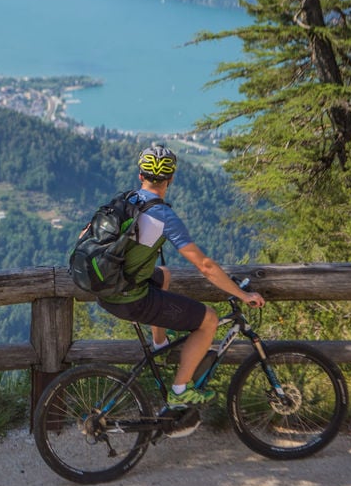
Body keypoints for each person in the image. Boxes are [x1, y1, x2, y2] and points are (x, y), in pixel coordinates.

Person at [97, 143, 265, 405]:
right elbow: (205, 266)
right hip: (130, 299)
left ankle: (160, 344)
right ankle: (179, 391)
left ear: (141, 176)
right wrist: (242, 295)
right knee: (209, 320)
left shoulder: (125, 201)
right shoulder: (163, 216)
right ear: (171, 179)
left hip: (106, 289)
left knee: (163, 274)